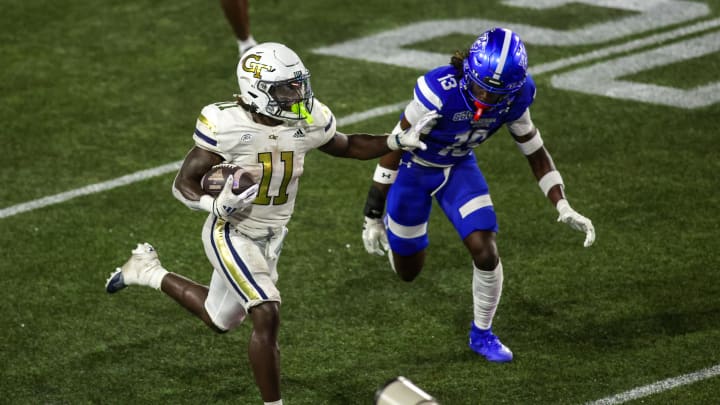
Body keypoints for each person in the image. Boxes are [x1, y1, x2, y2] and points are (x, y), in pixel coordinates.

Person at [104, 42, 429, 405]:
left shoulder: (307, 119)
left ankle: (146, 270)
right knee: (266, 310)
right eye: (286, 88)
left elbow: (347, 145)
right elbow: (182, 184)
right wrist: (216, 204)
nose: (298, 94)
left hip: (273, 234)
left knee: (220, 318)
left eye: (299, 84)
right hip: (231, 231)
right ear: (255, 90)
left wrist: (395, 140)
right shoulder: (226, 124)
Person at [361, 28, 596, 363]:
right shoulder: (438, 91)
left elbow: (534, 150)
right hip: (414, 172)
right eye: (479, 87)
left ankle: (482, 333)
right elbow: (393, 146)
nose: (485, 98)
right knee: (408, 272)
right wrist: (372, 212)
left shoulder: (517, 96)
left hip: (458, 168)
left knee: (485, 250)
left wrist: (562, 203)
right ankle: (394, 227)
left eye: (495, 93)